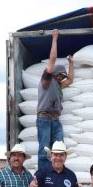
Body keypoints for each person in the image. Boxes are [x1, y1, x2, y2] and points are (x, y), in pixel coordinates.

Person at [36, 29, 74, 170]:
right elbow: (52, 60)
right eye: (60, 75)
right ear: (55, 73)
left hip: (56, 120)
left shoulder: (58, 86)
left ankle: (56, 172)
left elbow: (70, 80)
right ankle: (43, 175)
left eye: (62, 76)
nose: (61, 78)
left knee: (59, 148)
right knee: (44, 149)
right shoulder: (46, 80)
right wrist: (54, 39)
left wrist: (71, 63)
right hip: (44, 119)